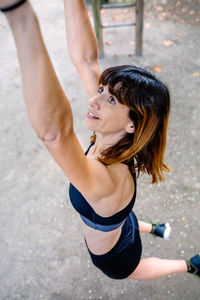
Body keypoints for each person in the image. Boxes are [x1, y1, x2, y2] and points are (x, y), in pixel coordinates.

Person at [1, 0, 199, 280]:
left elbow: (55, 134)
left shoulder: (106, 181)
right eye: (102, 89)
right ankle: (154, 227)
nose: (93, 100)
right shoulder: (115, 135)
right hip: (120, 220)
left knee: (137, 269)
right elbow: (85, 60)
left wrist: (19, 14)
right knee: (126, 221)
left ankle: (190, 265)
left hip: (116, 255)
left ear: (133, 123)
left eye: (110, 99)